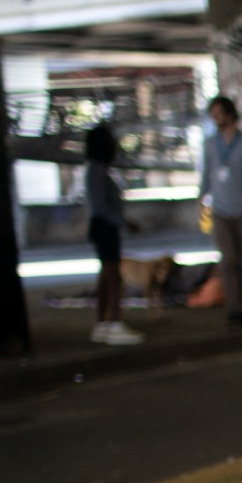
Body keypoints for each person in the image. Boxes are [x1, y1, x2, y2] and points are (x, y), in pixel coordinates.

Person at [200, 95, 242, 328]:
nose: (216, 120)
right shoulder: (209, 143)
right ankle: (233, 309)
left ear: (229, 114)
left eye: (219, 114)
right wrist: (201, 198)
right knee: (228, 260)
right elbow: (205, 173)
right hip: (220, 210)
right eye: (213, 116)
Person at [83, 122, 144, 345]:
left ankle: (103, 323)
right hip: (104, 226)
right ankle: (115, 322)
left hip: (103, 225)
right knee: (113, 275)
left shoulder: (95, 169)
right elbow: (101, 205)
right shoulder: (97, 170)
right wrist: (123, 222)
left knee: (107, 274)